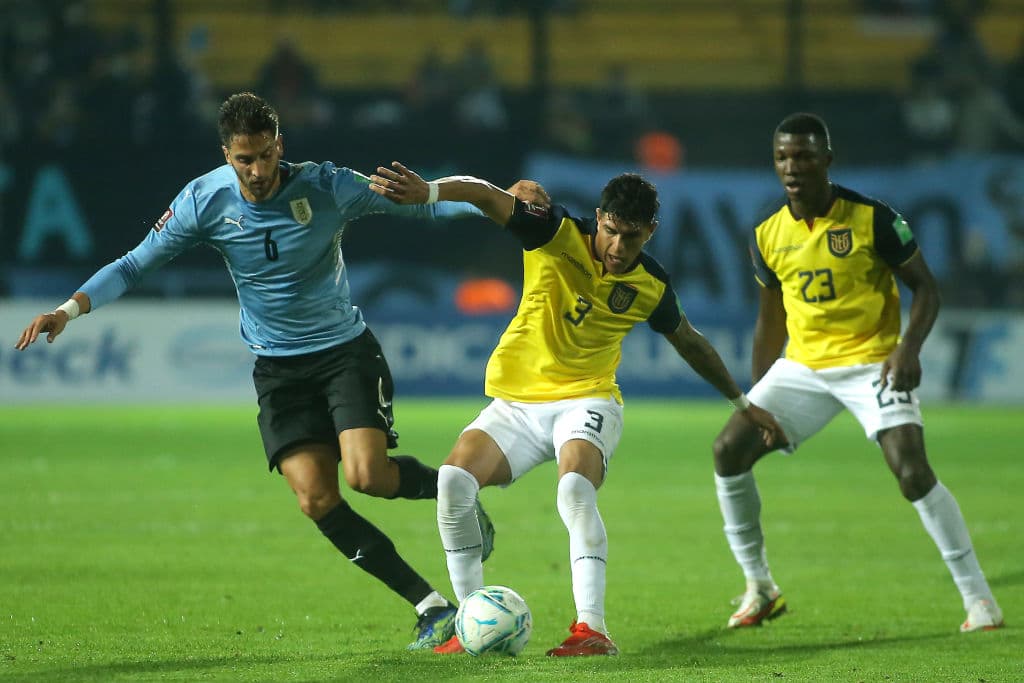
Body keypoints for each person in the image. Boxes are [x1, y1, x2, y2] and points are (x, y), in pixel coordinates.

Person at [14, 92, 551, 650]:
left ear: (280, 148)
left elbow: (421, 203)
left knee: (366, 476)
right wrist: (67, 310)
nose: (257, 170)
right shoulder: (203, 200)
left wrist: (497, 200)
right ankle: (431, 608)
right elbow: (133, 264)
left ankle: (456, 495)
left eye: (266, 156)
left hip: (344, 352)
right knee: (316, 499)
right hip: (277, 370)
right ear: (226, 154)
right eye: (244, 159)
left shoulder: (326, 186)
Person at [368, 163, 785, 656]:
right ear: (599, 217)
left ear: (651, 232)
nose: (617, 247)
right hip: (518, 404)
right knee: (453, 482)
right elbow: (483, 193)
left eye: (631, 237)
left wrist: (742, 402)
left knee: (573, 490)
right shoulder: (552, 230)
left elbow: (690, 343)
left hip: (588, 399)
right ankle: (470, 621)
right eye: (610, 231)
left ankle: (592, 630)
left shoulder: (651, 285)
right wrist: (430, 192)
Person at [712, 112, 1004, 633]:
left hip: (872, 362)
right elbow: (768, 322)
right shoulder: (766, 235)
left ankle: (979, 600)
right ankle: (760, 587)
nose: (792, 166)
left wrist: (907, 349)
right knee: (727, 450)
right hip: (804, 368)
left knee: (911, 470)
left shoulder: (873, 219)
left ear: (827, 159)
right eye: (783, 156)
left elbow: (927, 289)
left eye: (803, 155)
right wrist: (755, 399)